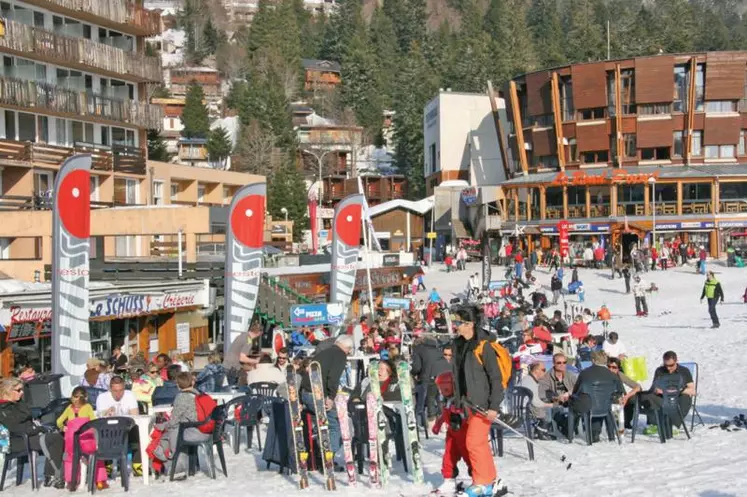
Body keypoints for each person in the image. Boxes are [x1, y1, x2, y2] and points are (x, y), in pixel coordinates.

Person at [452, 311, 505, 497]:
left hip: (483, 405)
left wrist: (494, 406)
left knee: (473, 442)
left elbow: (496, 378)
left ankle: (481, 481)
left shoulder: (484, 346)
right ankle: (490, 480)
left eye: (458, 322)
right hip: (468, 403)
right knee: (479, 443)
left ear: (470, 324)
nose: (455, 325)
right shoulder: (462, 345)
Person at [299, 335, 353, 471]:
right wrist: (330, 397)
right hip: (317, 396)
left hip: (306, 393)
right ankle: (328, 460)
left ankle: (319, 454)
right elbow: (333, 378)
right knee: (335, 426)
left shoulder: (324, 352)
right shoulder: (340, 355)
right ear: (347, 347)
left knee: (322, 423)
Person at [0, 378, 65, 488]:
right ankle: (52, 476)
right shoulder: (3, 408)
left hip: (28, 436)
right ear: (8, 390)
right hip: (16, 441)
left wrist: (38, 428)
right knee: (54, 438)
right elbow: (16, 427)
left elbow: (26, 418)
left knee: (57, 436)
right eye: (18, 390)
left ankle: (54, 475)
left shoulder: (18, 403)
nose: (22, 392)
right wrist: (39, 429)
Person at [152, 372, 211, 474]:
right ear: (192, 383)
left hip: (195, 434)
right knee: (173, 429)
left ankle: (172, 461)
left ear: (178, 385)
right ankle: (169, 456)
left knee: (171, 430)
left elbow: (173, 421)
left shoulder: (181, 397)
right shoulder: (199, 394)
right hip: (208, 432)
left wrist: (161, 426)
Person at [570, 351, 624, 442]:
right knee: (601, 402)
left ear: (593, 360)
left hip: (589, 406)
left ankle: (574, 432)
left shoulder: (585, 373)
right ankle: (605, 434)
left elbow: (576, 391)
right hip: (606, 407)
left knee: (577, 401)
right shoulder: (612, 375)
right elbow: (620, 391)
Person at [639, 351, 695, 435]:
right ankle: (654, 424)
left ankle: (674, 425)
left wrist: (677, 391)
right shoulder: (660, 370)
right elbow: (654, 387)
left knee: (686, 397)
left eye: (671, 365)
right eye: (666, 365)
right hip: (662, 397)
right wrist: (657, 390)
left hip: (678, 397)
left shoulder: (684, 371)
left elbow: (692, 390)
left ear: (676, 361)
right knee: (649, 396)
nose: (668, 368)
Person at [94, 376, 142, 475]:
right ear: (110, 389)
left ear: (124, 388)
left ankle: (138, 464)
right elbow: (100, 418)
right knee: (104, 433)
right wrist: (107, 412)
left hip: (127, 428)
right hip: (109, 429)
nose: (118, 394)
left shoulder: (130, 395)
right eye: (115, 391)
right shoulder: (102, 398)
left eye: (121, 390)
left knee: (136, 430)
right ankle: (108, 466)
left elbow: (135, 415)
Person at [411, 335, 451, 419]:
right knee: (439, 398)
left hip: (428, 377)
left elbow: (417, 367)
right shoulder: (437, 349)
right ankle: (443, 419)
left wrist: (412, 373)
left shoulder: (418, 349)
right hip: (442, 375)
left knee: (428, 399)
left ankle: (428, 421)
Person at [520, 362, 555, 437]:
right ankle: (542, 432)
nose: (545, 372)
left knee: (546, 400)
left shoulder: (529, 379)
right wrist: (551, 405)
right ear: (536, 371)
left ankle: (539, 430)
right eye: (543, 370)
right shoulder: (530, 382)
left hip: (523, 407)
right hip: (523, 411)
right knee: (547, 405)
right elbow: (536, 402)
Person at [606, 357, 641, 429]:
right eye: (609, 367)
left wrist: (626, 397)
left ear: (618, 368)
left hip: (621, 400)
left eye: (614, 367)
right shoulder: (604, 375)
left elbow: (638, 387)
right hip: (609, 400)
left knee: (632, 399)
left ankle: (626, 422)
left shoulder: (619, 374)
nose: (610, 369)